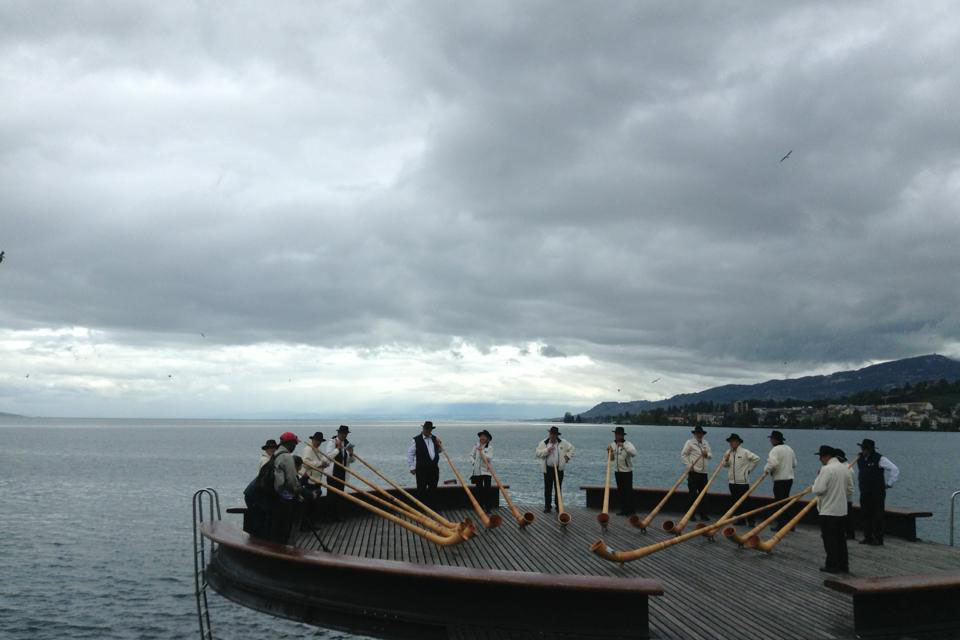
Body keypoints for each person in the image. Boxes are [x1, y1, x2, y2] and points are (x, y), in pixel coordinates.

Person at [812, 445, 854, 574]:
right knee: (841, 539)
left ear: (826, 456)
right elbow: (849, 490)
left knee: (829, 540)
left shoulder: (826, 469)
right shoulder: (845, 468)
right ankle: (843, 565)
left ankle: (832, 565)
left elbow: (818, 489)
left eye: (820, 456)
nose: (820, 459)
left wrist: (818, 478)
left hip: (828, 510)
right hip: (841, 510)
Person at [856, 438, 899, 546]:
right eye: (862, 448)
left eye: (865, 449)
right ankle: (868, 537)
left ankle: (878, 539)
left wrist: (889, 483)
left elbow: (895, 469)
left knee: (877, 515)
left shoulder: (880, 458)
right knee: (865, 514)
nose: (863, 451)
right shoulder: (859, 458)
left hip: (877, 492)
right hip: (864, 491)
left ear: (870, 450)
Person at [269, 431, 302, 544]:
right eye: (295, 444)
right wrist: (298, 490)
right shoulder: (287, 457)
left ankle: (274, 548)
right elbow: (292, 481)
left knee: (276, 527)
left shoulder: (276, 454)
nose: (295, 446)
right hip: (284, 497)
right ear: (290, 443)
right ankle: (283, 550)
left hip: (275, 495)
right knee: (285, 526)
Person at [722, 433, 760, 526]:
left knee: (746, 503)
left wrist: (748, 470)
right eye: (730, 441)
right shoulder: (728, 452)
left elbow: (757, 459)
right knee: (735, 502)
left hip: (742, 482)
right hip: (732, 482)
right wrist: (726, 460)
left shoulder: (745, 452)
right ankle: (740, 520)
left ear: (738, 442)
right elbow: (724, 465)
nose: (731, 443)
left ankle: (751, 521)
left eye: (733, 441)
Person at [536, 426, 575, 513]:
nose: (553, 436)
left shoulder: (563, 442)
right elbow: (538, 453)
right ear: (549, 434)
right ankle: (547, 507)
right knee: (548, 488)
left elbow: (572, 449)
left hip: (559, 469)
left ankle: (558, 507)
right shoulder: (544, 443)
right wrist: (547, 450)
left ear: (557, 435)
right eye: (551, 434)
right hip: (548, 469)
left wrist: (567, 457)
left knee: (558, 488)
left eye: (554, 435)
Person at [763, 430, 797, 531]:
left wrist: (766, 470)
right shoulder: (789, 449)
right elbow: (795, 464)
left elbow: (772, 463)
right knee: (786, 501)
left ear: (774, 440)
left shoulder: (775, 450)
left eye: (771, 439)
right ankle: (790, 525)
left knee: (779, 503)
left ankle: (781, 525)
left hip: (779, 480)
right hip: (789, 479)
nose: (770, 441)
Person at [681, 425, 712, 521]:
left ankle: (704, 515)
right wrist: (689, 466)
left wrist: (706, 454)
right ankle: (691, 515)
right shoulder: (690, 443)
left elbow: (710, 455)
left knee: (703, 495)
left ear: (703, 434)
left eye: (701, 433)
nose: (699, 435)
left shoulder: (706, 443)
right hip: (694, 472)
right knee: (692, 494)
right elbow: (683, 455)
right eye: (697, 433)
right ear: (694, 434)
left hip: (704, 473)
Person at [323, 425, 354, 521]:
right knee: (331, 496)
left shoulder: (347, 444)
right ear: (338, 433)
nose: (344, 435)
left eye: (346, 434)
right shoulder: (332, 443)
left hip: (342, 473)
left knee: (339, 496)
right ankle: (328, 517)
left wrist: (351, 453)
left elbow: (350, 461)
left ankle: (337, 516)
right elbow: (328, 457)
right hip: (333, 473)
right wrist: (338, 449)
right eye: (342, 433)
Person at [408, 421, 443, 505]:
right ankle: (421, 510)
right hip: (421, 470)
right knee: (421, 490)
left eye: (430, 429)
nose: (428, 431)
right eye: (426, 429)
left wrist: (439, 444)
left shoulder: (435, 439)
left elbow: (439, 451)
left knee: (433, 489)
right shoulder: (416, 440)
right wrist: (412, 467)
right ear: (423, 428)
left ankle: (432, 509)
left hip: (434, 469)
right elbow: (410, 453)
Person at [300, 431, 327, 522]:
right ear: (313, 440)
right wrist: (320, 464)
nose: (318, 442)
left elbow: (323, 461)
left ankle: (311, 524)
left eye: (320, 441)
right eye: (317, 440)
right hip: (309, 480)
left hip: (317, 480)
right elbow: (305, 463)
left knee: (314, 505)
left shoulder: (318, 450)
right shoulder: (308, 449)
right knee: (308, 504)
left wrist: (325, 463)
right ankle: (305, 526)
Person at [609, 426, 637, 515]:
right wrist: (610, 453)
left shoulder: (628, 444)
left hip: (627, 472)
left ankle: (631, 511)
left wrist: (623, 446)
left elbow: (634, 453)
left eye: (618, 434)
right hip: (617, 472)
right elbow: (612, 459)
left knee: (628, 492)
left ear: (622, 435)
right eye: (615, 434)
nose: (616, 436)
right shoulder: (612, 444)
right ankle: (623, 510)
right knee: (620, 492)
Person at [834, 449, 857, 540]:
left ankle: (850, 534)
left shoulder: (848, 469)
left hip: (846, 497)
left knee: (847, 517)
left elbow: (850, 486)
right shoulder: (841, 467)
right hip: (840, 496)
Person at [470, 430, 494, 512]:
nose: (482, 438)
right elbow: (471, 455)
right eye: (481, 436)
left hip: (486, 472)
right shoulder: (476, 446)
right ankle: (479, 507)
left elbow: (489, 458)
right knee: (479, 490)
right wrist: (473, 463)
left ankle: (488, 508)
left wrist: (481, 452)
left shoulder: (489, 448)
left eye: (484, 437)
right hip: (477, 472)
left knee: (487, 490)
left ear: (487, 439)